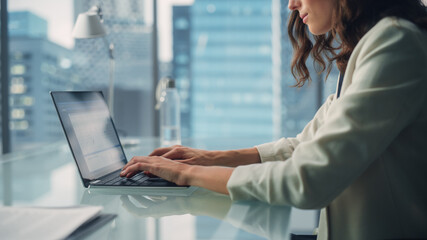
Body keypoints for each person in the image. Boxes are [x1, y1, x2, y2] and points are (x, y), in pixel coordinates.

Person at [121, 0, 427, 239]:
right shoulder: (375, 44)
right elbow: (304, 147)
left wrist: (185, 174)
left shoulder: (395, 43)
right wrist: (207, 158)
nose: (291, 5)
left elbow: (306, 178)